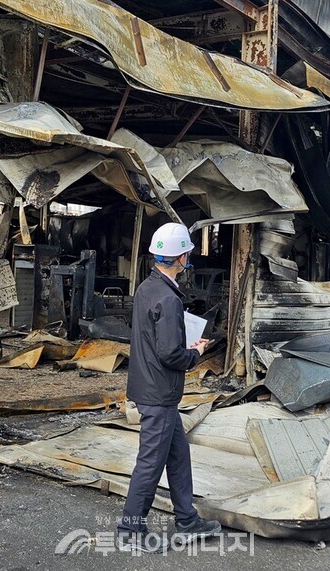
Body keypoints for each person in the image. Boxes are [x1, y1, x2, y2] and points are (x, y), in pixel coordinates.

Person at [116, 222, 222, 553]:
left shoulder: (148, 287)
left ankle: (187, 521)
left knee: (177, 456)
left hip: (149, 387)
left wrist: (181, 343)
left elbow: (153, 338)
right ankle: (129, 530)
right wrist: (196, 352)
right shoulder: (169, 298)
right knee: (150, 463)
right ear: (182, 257)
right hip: (159, 394)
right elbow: (170, 354)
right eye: (187, 253)